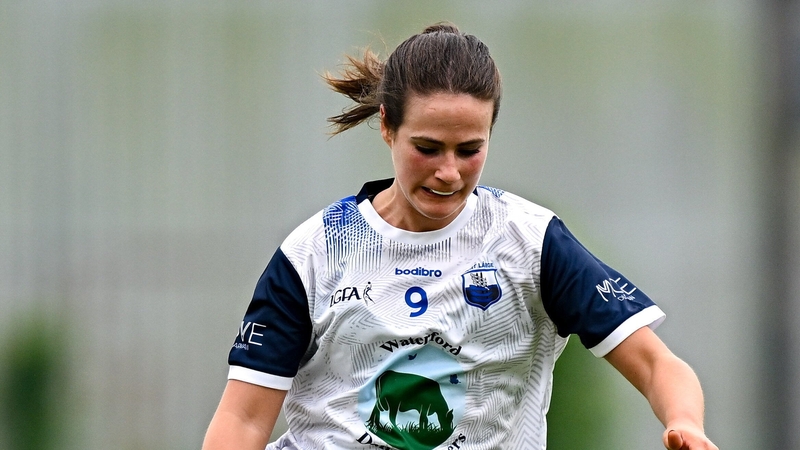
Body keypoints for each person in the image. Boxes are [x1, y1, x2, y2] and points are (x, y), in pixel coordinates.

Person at [202, 22, 718, 450]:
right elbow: (244, 419)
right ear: (387, 126)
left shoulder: (530, 243)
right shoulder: (316, 251)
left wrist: (686, 424)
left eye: (469, 149)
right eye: (428, 147)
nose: (449, 172)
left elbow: (656, 364)